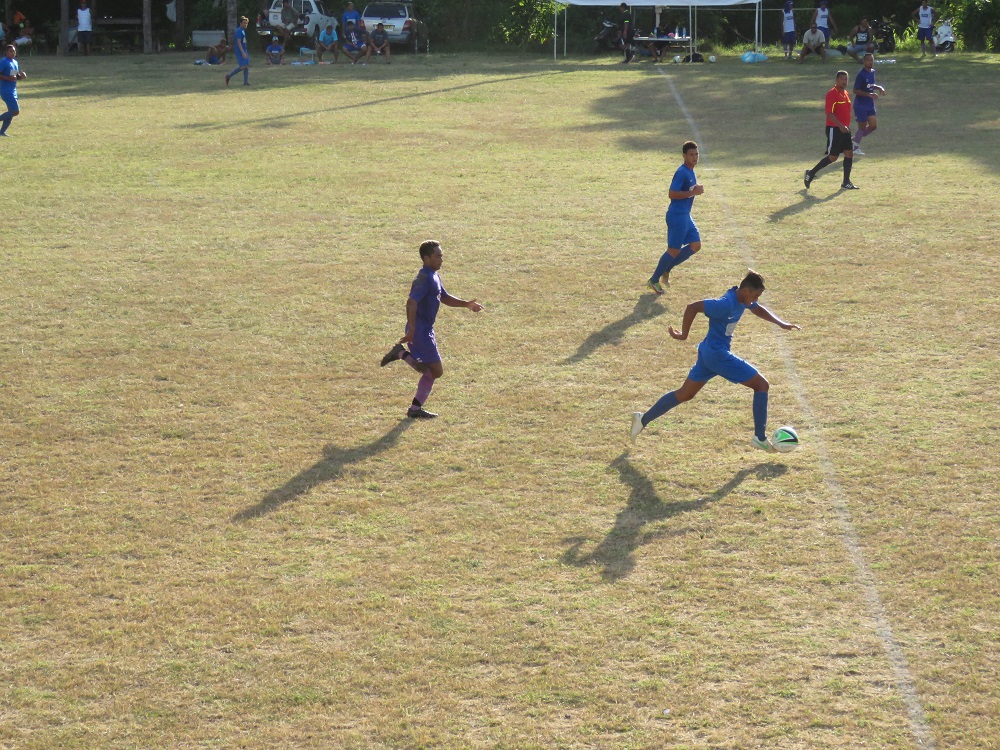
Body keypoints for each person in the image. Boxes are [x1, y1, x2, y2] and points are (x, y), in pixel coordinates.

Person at [630, 270, 801, 451]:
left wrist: (781, 323)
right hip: (717, 355)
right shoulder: (726, 304)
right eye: (755, 295)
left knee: (685, 394)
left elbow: (757, 309)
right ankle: (759, 438)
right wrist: (684, 335)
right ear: (746, 290)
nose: (756, 300)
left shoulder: (743, 299)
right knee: (761, 385)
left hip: (708, 353)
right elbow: (692, 307)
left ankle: (642, 419)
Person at [379, 240, 485, 420]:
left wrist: (466, 304)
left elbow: (443, 296)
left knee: (430, 370)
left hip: (426, 329)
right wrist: (412, 329)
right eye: (437, 256)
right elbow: (411, 302)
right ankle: (400, 355)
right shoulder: (424, 278)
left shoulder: (433, 276)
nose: (441, 259)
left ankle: (414, 408)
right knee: (436, 371)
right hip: (419, 331)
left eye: (441, 256)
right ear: (426, 258)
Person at [647, 141, 704, 295]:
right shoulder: (682, 172)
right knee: (673, 250)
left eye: (696, 154)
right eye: (691, 155)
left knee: (695, 245)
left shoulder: (691, 171)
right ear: (684, 156)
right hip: (677, 216)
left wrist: (694, 189)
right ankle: (653, 280)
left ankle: (668, 268)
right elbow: (672, 193)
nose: (694, 157)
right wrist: (694, 192)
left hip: (685, 215)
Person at [803, 69, 858, 190]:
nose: (844, 81)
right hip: (835, 129)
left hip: (845, 129)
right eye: (842, 79)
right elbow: (829, 114)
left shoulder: (846, 93)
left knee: (849, 153)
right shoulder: (832, 94)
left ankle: (846, 182)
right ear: (837, 80)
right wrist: (840, 126)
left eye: (846, 79)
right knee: (833, 157)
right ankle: (811, 173)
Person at [851, 52, 885, 155]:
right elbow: (855, 90)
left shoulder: (872, 72)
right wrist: (868, 94)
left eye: (872, 60)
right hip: (860, 105)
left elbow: (870, 85)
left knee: (873, 126)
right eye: (868, 60)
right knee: (861, 127)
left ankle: (854, 138)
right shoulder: (861, 75)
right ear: (864, 61)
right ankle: (855, 147)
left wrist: (879, 88)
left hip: (869, 104)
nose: (870, 62)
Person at [0, 44, 26, 137]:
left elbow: (14, 77)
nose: (12, 53)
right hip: (6, 90)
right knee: (15, 111)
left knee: (11, 112)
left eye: (14, 51)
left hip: (13, 90)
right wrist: (7, 78)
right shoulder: (4, 62)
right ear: (6, 52)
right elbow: (7, 77)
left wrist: (21, 77)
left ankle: (1, 132)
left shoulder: (15, 62)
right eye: (10, 51)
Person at [225, 16, 251, 87]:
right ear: (240, 23)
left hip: (244, 49)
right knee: (242, 66)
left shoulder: (243, 30)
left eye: (246, 23)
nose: (245, 24)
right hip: (240, 50)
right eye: (244, 23)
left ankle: (245, 82)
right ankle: (228, 76)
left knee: (247, 66)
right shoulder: (239, 31)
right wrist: (242, 52)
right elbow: (239, 43)